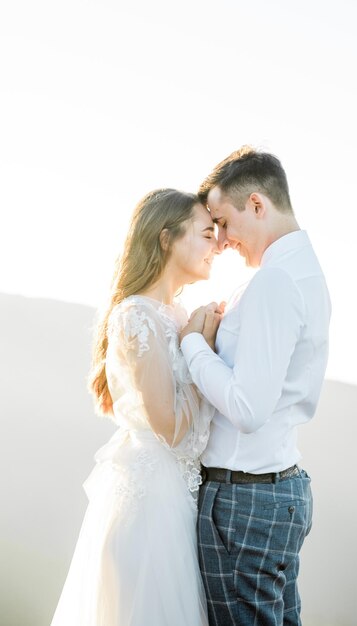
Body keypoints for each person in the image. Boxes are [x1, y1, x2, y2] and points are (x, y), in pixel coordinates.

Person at [50, 189, 223, 626]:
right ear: (167, 238)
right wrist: (201, 347)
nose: (218, 245)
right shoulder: (135, 317)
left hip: (179, 495)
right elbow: (171, 428)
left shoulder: (178, 313)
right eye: (206, 234)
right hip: (151, 505)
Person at [180, 146, 331, 626]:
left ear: (259, 205)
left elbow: (247, 407)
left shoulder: (274, 282)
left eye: (224, 221)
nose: (221, 240)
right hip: (274, 490)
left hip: (245, 503)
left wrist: (193, 346)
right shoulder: (305, 274)